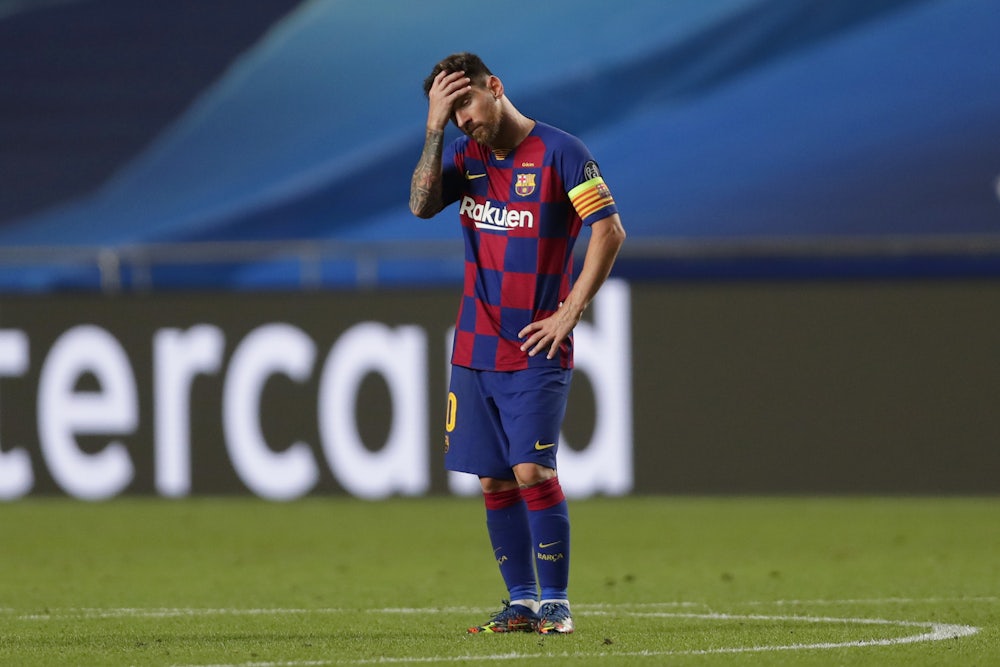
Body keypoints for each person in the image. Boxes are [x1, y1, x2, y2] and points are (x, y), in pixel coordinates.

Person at [409, 52, 625, 635]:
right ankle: (522, 601)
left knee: (531, 468)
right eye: (448, 114)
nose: (462, 120)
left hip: (534, 345)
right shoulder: (464, 157)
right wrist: (433, 128)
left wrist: (570, 312)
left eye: (464, 104)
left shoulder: (562, 153)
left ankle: (557, 603)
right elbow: (421, 204)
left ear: (494, 86)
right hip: (474, 347)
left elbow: (609, 230)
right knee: (494, 479)